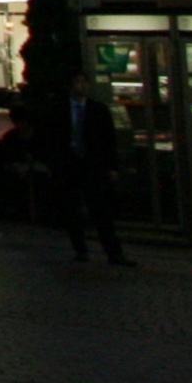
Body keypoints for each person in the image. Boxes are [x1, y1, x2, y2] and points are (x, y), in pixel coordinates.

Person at [44, 71, 133, 266]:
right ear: (70, 86)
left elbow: (108, 140)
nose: (82, 86)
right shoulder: (59, 109)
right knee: (72, 211)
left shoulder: (98, 109)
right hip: (69, 166)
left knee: (100, 210)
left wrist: (111, 166)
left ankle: (113, 253)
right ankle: (81, 249)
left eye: (84, 83)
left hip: (92, 166)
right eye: (78, 82)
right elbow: (51, 137)